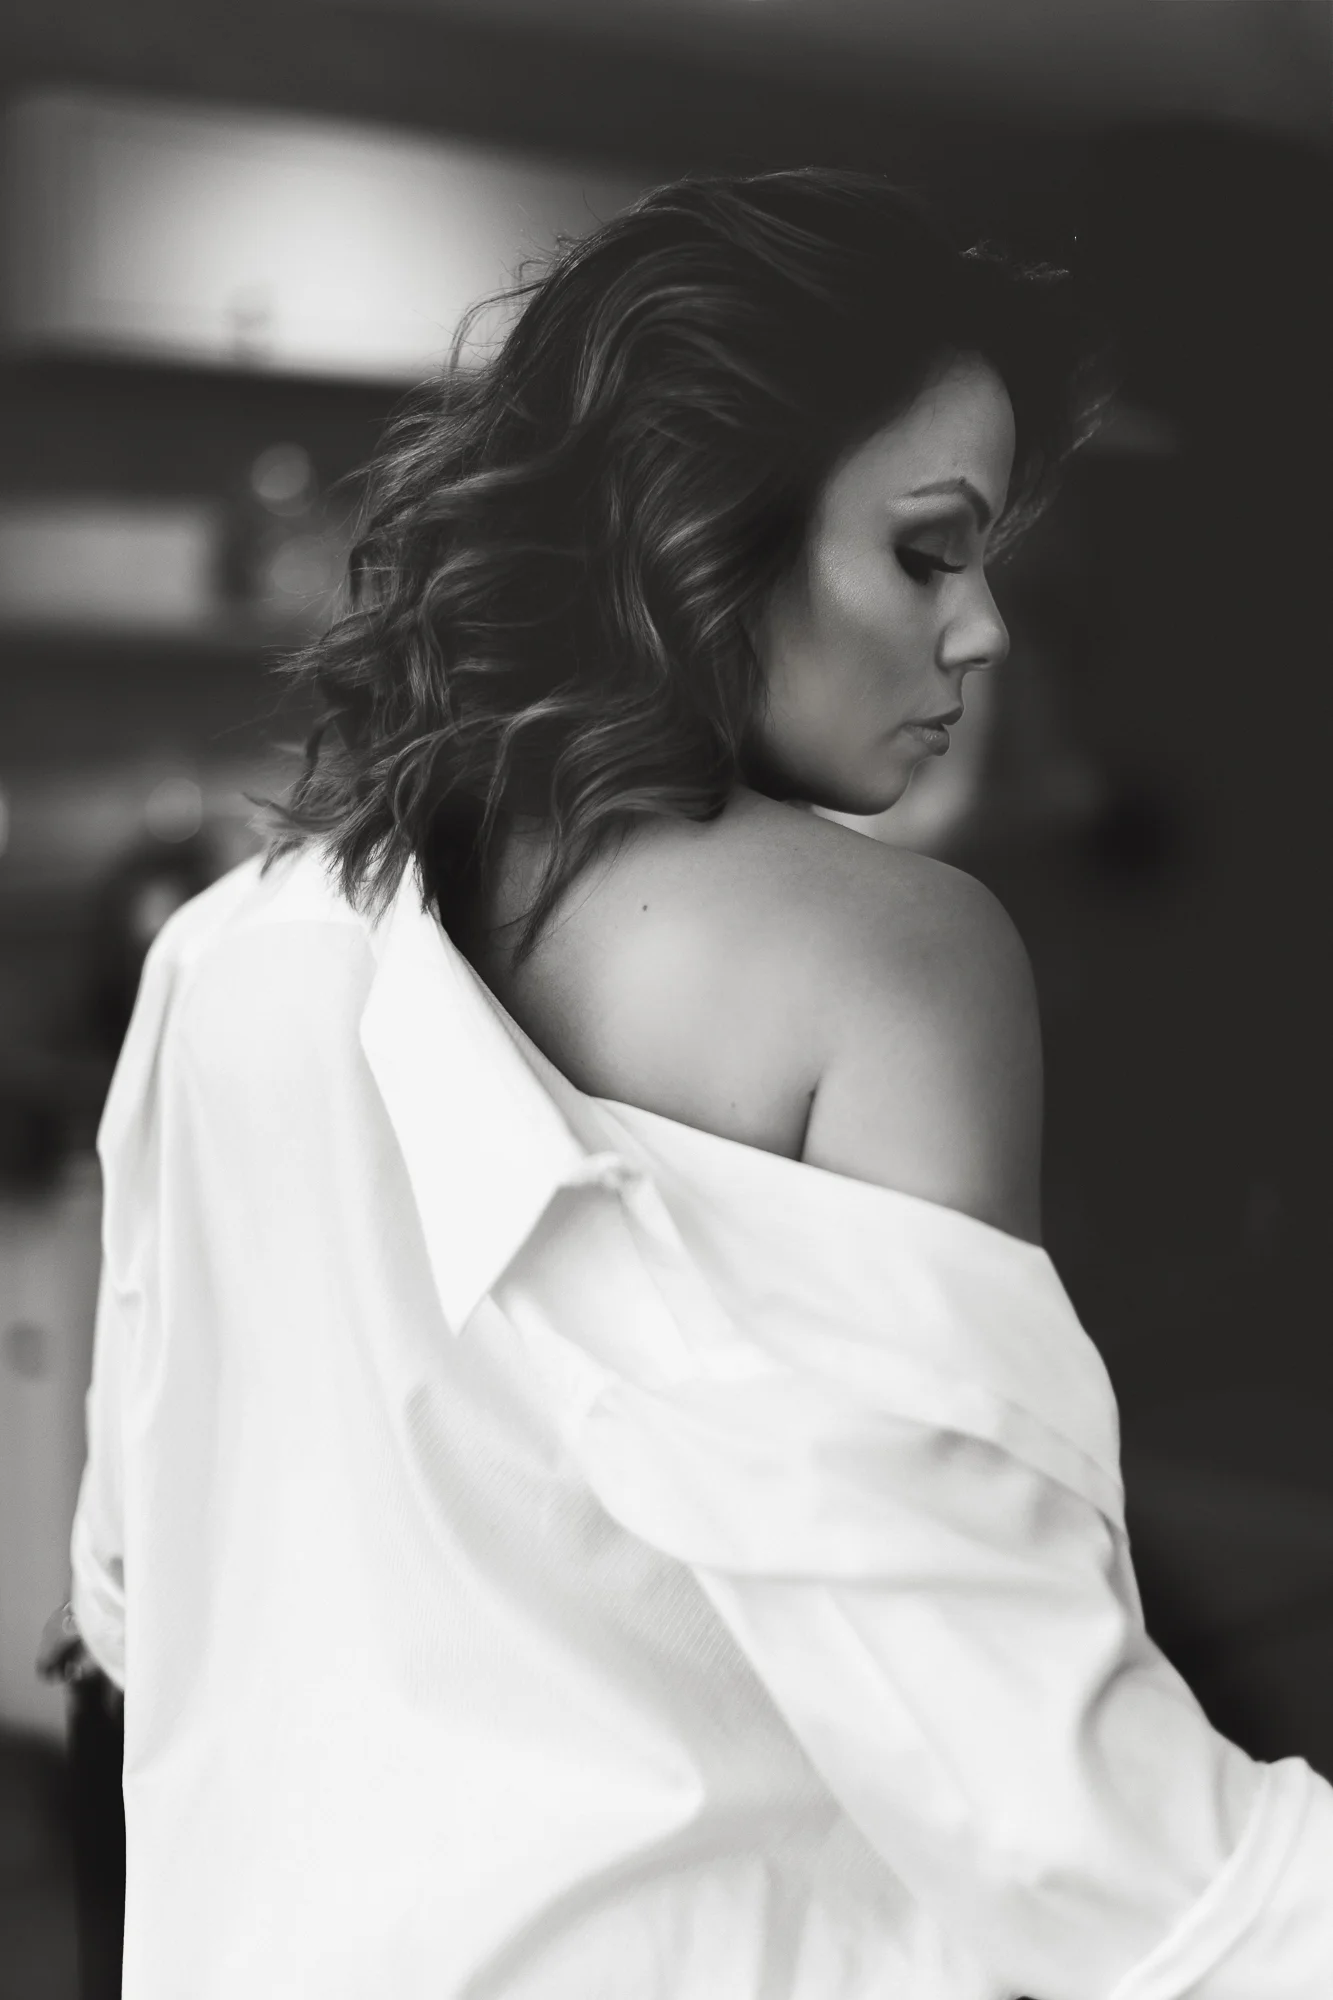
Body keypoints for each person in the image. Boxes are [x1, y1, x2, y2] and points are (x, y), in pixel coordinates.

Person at [69, 170, 1333, 1998]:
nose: (982, 629)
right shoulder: (894, 959)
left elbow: (131, 1591)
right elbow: (1034, 1792)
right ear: (697, 527)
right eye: (929, 552)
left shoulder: (220, 955)